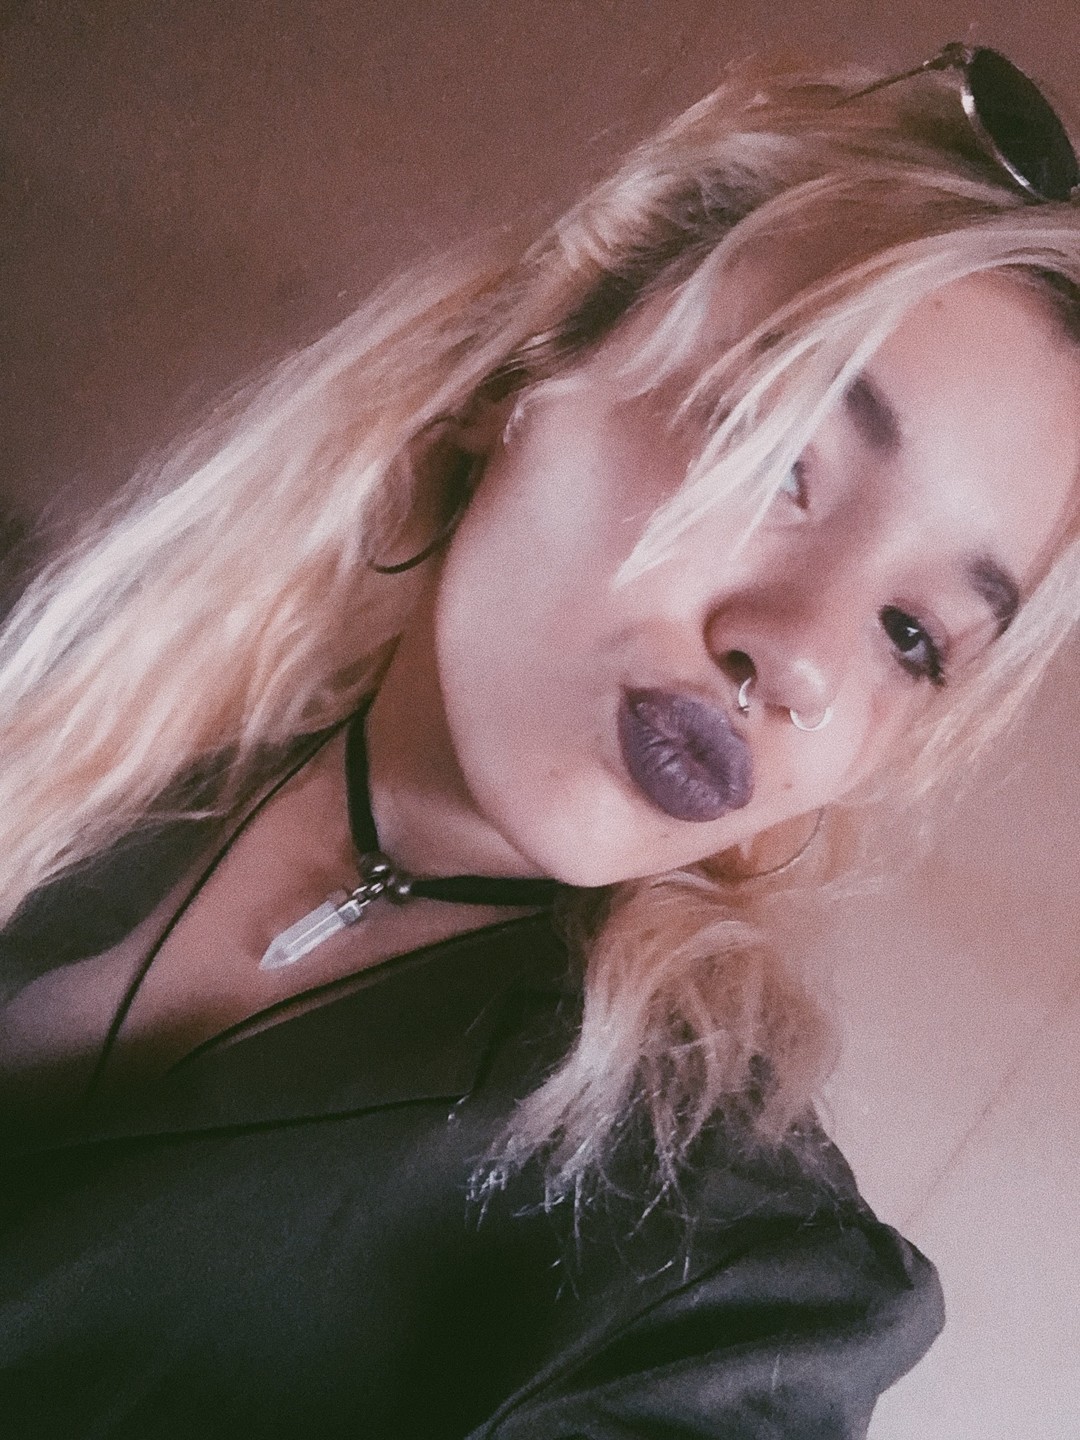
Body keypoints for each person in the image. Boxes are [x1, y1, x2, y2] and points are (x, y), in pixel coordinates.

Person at [1, 44, 1079, 1438]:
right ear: (529, 370)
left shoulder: (722, 1274)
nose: (805, 658)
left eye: (914, 636)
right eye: (777, 456)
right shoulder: (64, 689)